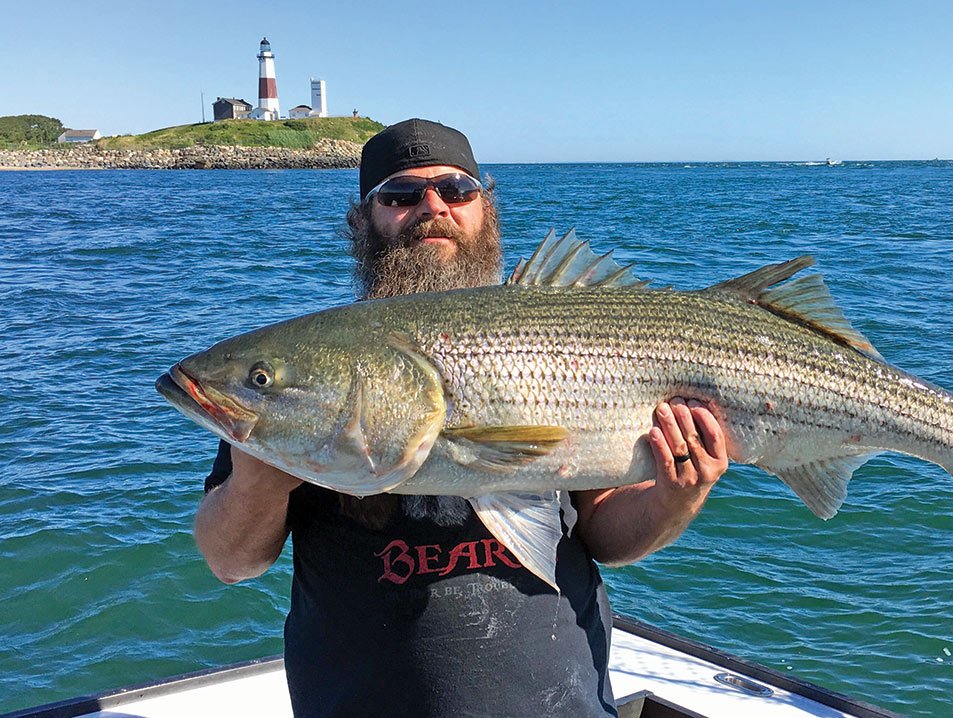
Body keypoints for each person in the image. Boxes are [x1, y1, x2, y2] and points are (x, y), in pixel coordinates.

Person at [193, 119, 730, 718]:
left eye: (455, 189)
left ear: (485, 209)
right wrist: (257, 481)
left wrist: (675, 498)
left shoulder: (560, 333)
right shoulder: (315, 365)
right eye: (398, 195)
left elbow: (603, 532)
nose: (432, 207)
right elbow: (229, 560)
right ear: (363, 221)